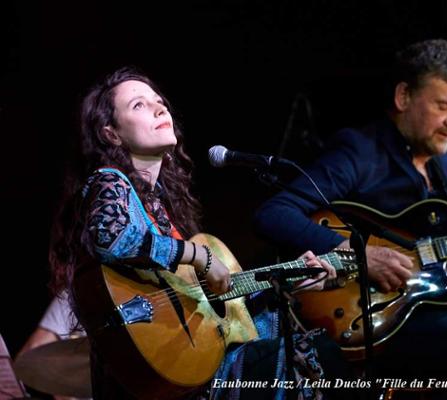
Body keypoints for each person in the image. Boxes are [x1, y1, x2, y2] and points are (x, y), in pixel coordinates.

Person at [254, 39, 447, 399]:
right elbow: (274, 214)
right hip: (375, 321)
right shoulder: (359, 152)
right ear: (403, 97)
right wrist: (357, 255)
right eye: (444, 106)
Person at [48, 67, 353, 400]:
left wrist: (291, 283)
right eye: (138, 105)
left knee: (315, 352)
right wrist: (200, 256)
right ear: (111, 135)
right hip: (160, 376)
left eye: (159, 101)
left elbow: (229, 312)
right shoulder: (110, 180)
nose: (159, 108)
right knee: (320, 356)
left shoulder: (165, 209)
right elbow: (112, 237)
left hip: (196, 374)